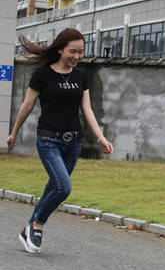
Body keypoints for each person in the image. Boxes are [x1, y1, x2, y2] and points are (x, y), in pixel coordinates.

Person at [6, 28, 114, 254]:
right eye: (72, 52)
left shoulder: (80, 76)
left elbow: (87, 109)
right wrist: (14, 132)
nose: (76, 57)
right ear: (60, 49)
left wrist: (101, 137)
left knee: (54, 186)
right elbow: (27, 105)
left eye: (80, 52)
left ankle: (28, 229)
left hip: (73, 142)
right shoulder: (42, 75)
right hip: (48, 140)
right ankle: (37, 225)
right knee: (63, 187)